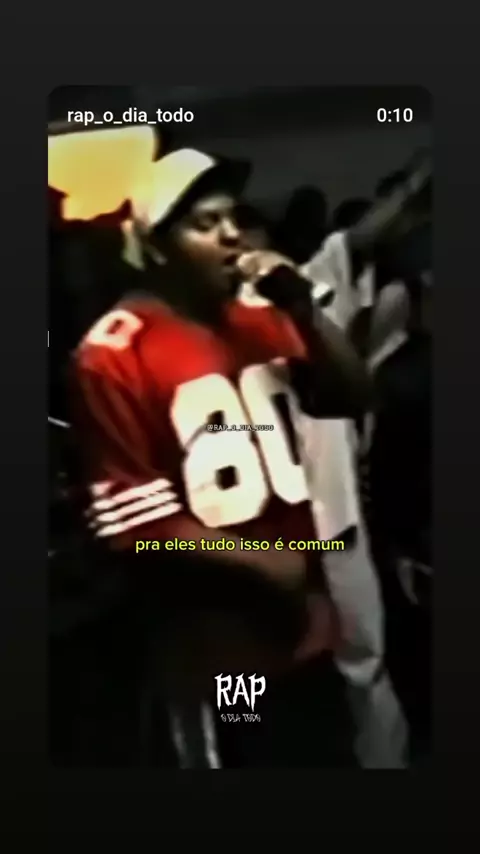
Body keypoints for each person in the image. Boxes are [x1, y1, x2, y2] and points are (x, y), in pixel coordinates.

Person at [71, 148, 370, 768]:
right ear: (157, 247)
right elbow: (138, 526)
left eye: (233, 217)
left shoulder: (259, 318)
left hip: (308, 629)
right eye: (204, 224)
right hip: (222, 647)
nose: (231, 235)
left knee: (326, 757)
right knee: (251, 760)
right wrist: (267, 563)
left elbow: (352, 395)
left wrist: (304, 309)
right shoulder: (115, 352)